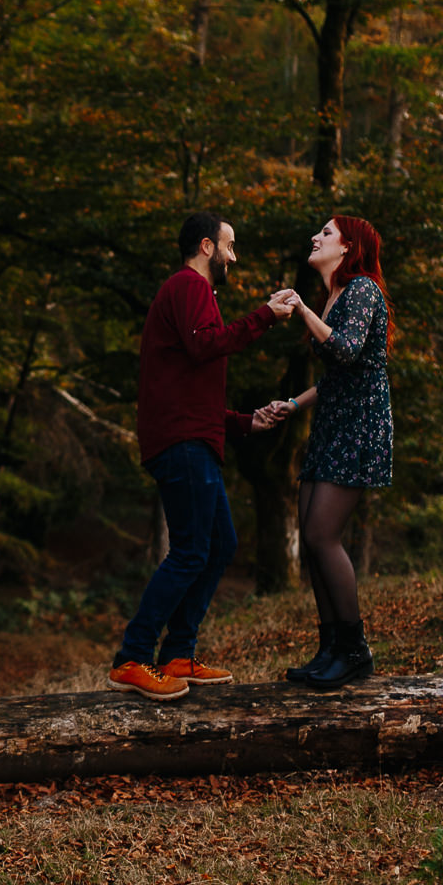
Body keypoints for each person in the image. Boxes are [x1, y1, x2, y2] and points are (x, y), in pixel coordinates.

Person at [109, 212, 298, 700]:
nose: (234, 256)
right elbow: (203, 348)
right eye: (230, 246)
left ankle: (178, 653)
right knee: (194, 549)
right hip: (181, 444)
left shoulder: (196, 295)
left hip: (193, 437)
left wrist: (244, 422)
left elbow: (191, 383)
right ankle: (133, 656)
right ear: (207, 246)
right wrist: (263, 317)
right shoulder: (188, 286)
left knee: (220, 545)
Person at [265, 215, 395, 690]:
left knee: (322, 535)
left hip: (360, 428)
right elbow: (337, 375)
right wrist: (293, 403)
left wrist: (301, 310)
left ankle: (356, 651)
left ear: (348, 247)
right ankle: (330, 648)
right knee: (310, 533)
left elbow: (344, 351)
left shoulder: (362, 290)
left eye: (325, 233)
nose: (314, 238)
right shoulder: (335, 298)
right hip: (331, 425)